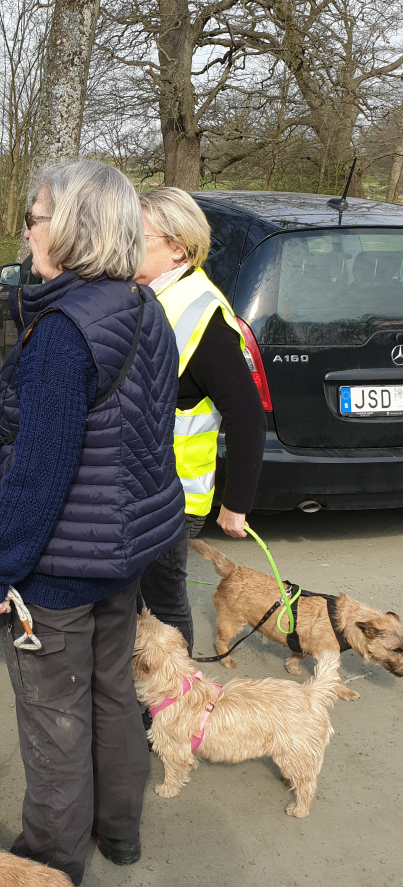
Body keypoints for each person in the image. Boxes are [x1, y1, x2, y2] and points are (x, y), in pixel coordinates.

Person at [0, 159, 185, 884]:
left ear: (69, 230)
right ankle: (118, 830)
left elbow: (37, 474)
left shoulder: (65, 330)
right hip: (121, 552)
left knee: (56, 719)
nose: (25, 232)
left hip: (62, 564)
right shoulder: (142, 305)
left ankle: (52, 867)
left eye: (33, 218)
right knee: (111, 693)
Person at [135, 188, 267, 652]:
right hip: (138, 487)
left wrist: (237, 503)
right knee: (134, 604)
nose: (127, 242)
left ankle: (176, 702)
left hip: (174, 496)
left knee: (163, 605)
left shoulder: (203, 313)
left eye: (139, 235)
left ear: (179, 248)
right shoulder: (146, 294)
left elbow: (247, 413)